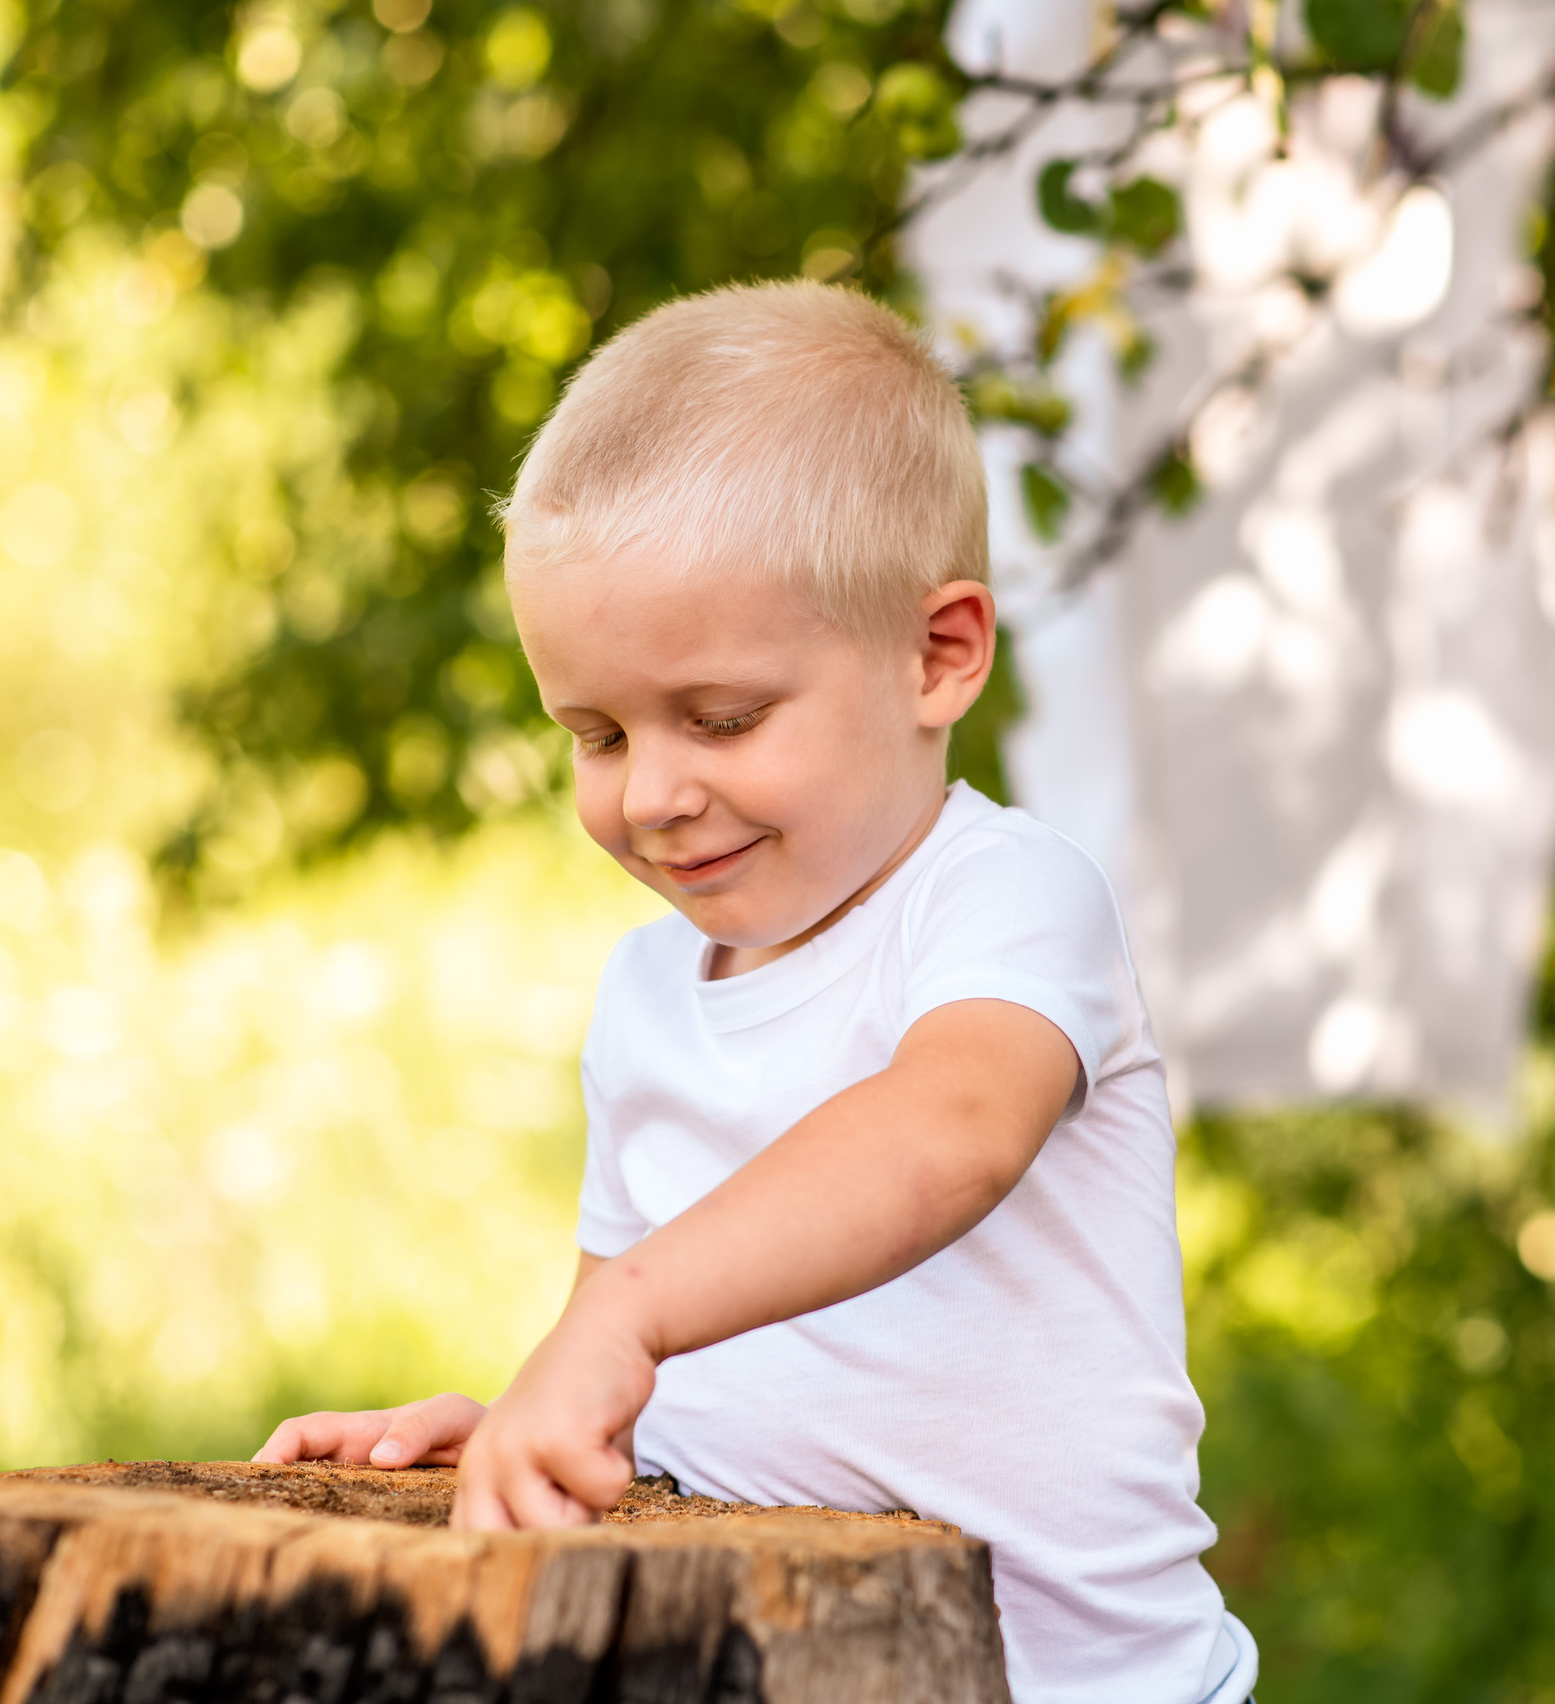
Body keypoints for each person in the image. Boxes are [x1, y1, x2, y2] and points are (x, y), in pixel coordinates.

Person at [254, 280, 1257, 1704]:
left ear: (938, 654)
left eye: (720, 719)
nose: (653, 793)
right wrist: (535, 1430)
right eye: (596, 733)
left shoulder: (1007, 904)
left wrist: (625, 1322)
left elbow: (948, 1134)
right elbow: (660, 1377)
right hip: (793, 1667)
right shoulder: (648, 995)